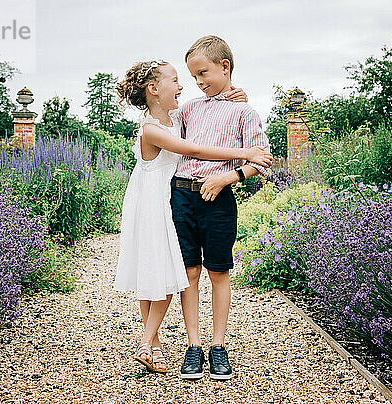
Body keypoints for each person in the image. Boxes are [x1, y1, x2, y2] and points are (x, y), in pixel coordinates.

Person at [114, 59, 273, 374]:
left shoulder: (185, 114)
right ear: (154, 88)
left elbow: (212, 114)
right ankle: (158, 344)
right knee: (167, 271)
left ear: (225, 67)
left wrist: (233, 98)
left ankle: (197, 345)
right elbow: (196, 149)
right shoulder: (159, 125)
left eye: (200, 74)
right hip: (161, 201)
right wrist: (243, 154)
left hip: (184, 198)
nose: (188, 84)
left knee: (192, 271)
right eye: (181, 78)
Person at [173, 35, 271, 380]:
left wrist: (227, 177)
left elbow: (262, 161)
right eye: (193, 77)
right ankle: (193, 347)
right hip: (182, 195)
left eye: (203, 73)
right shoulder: (188, 109)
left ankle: (218, 347)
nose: (198, 82)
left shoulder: (244, 111)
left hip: (218, 199)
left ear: (224, 67)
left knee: (217, 272)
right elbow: (169, 135)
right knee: (189, 273)